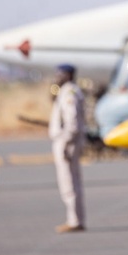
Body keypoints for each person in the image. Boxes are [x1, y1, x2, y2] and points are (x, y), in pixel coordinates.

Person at [49, 63, 86, 233]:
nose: (57, 77)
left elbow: (72, 122)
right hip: (67, 141)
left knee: (68, 182)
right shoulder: (65, 91)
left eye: (60, 74)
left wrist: (65, 142)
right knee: (72, 181)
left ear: (68, 75)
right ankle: (75, 219)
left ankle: (74, 221)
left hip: (67, 142)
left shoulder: (69, 92)